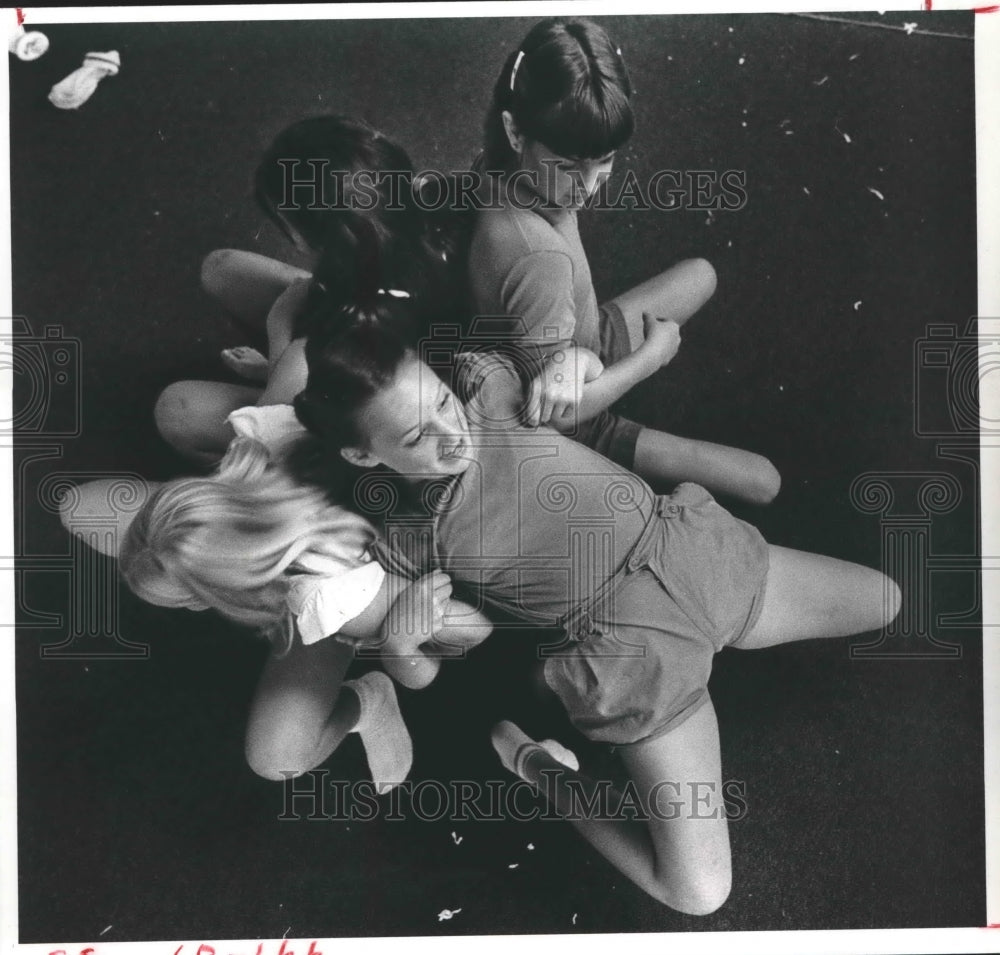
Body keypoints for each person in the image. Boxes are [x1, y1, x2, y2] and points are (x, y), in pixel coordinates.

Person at [293, 298, 901, 914]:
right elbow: (425, 673)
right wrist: (399, 644)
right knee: (698, 892)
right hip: (627, 650)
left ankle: (719, 636)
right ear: (364, 457)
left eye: (441, 402)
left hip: (691, 550)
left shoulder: (486, 388)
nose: (450, 435)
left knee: (888, 599)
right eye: (417, 436)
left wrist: (572, 360)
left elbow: (572, 377)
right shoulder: (411, 532)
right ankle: (539, 768)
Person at [63, 404, 492, 791]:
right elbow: (300, 350)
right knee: (92, 495)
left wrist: (400, 644)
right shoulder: (270, 434)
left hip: (350, 585)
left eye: (192, 600)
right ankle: (200, 539)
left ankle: (367, 701)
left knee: (277, 760)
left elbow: (477, 629)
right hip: (304, 525)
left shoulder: (345, 602)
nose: (192, 607)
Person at [469, 17, 780, 506]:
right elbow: (552, 417)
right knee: (765, 482)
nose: (589, 188)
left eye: (605, 161)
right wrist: (647, 360)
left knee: (702, 273)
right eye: (571, 166)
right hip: (577, 417)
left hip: (579, 338)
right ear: (514, 129)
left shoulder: (500, 165)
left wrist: (583, 354)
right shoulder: (539, 260)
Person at [156, 114, 467, 465]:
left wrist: (279, 333)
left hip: (384, 418)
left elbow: (266, 436)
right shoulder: (443, 209)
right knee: (222, 267)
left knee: (178, 411)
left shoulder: (333, 333)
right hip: (423, 362)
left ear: (299, 237)